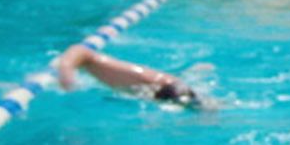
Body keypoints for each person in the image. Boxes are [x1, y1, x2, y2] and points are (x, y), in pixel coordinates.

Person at [57, 43, 201, 107]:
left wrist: (66, 75)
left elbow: (77, 51)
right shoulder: (98, 64)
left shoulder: (89, 58)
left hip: (166, 89)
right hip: (166, 87)